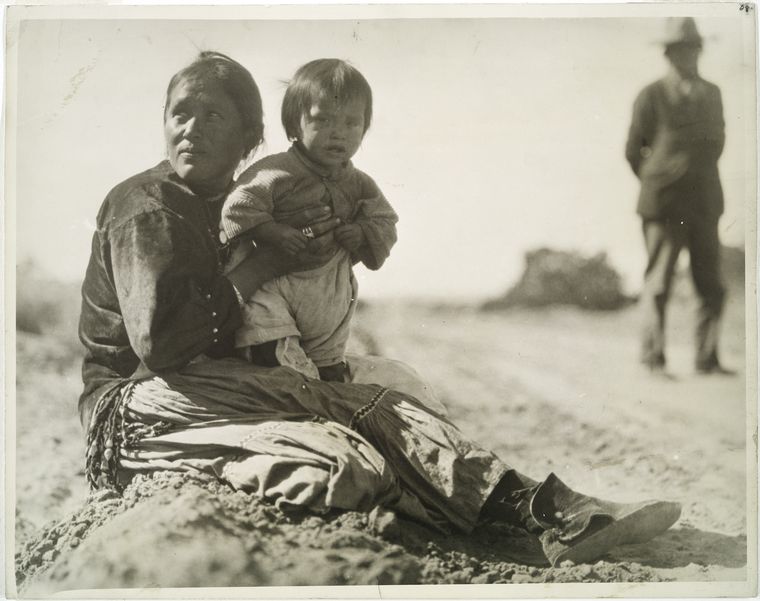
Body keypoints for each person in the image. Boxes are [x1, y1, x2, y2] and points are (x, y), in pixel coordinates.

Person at [79, 50, 681, 568]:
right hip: (140, 405)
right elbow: (162, 346)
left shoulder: (234, 202)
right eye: (180, 113)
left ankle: (502, 511)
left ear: (250, 139)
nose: (192, 129)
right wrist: (263, 265)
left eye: (213, 116)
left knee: (397, 383)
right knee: (354, 445)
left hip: (214, 390)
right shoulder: (152, 205)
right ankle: (541, 509)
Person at [220, 59, 398, 382]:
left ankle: (329, 375)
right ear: (294, 125)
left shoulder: (360, 183)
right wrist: (271, 231)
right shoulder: (275, 172)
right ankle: (280, 370)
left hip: (328, 283)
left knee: (330, 359)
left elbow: (384, 220)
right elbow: (238, 205)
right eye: (323, 120)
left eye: (351, 123)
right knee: (269, 334)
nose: (338, 133)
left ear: (365, 128)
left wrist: (361, 232)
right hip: (278, 281)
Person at [625, 17, 731, 376]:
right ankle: (652, 360)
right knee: (659, 283)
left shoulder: (712, 94)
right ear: (666, 54)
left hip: (704, 202)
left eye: (690, 49)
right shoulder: (651, 94)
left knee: (710, 284)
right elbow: (632, 150)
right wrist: (659, 180)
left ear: (699, 51)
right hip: (663, 205)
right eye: (676, 51)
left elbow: (718, 144)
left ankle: (708, 360)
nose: (683, 57)